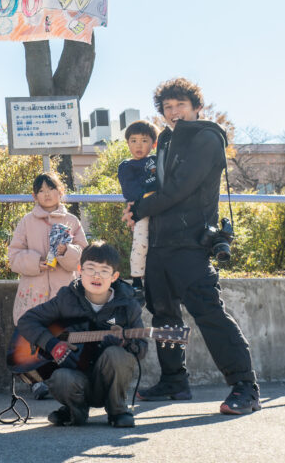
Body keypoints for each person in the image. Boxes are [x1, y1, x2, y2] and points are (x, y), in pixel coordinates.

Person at [122, 77, 259, 415]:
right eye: (168, 107)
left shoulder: (206, 138)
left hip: (191, 242)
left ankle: (245, 387)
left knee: (209, 312)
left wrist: (140, 209)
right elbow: (155, 187)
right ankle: (174, 380)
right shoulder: (166, 140)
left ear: (197, 107)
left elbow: (179, 189)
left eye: (181, 105)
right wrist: (135, 206)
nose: (174, 112)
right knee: (164, 314)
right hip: (159, 242)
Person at [16, 242, 147, 428]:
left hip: (108, 379)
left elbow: (142, 349)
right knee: (60, 376)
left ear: (115, 276)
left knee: (116, 354)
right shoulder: (66, 299)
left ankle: (118, 410)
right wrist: (52, 344)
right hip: (75, 375)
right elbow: (26, 321)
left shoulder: (128, 305)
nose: (96, 276)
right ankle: (74, 412)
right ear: (79, 271)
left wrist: (125, 344)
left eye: (104, 271)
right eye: (90, 269)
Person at [7, 172, 88, 399]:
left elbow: (84, 256)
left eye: (51, 189)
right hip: (33, 290)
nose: (47, 194)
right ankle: (36, 382)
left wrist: (66, 251)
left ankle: (62, 379)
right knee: (32, 336)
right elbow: (14, 256)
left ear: (61, 191)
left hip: (65, 290)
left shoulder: (72, 221)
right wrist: (36, 262)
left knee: (65, 335)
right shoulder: (27, 221)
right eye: (41, 191)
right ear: (34, 196)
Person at [117, 120, 159, 299]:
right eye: (133, 140)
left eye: (144, 140)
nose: (138, 145)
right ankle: (136, 279)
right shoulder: (126, 166)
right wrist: (149, 191)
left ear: (153, 144)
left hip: (161, 208)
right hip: (141, 211)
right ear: (127, 143)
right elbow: (130, 191)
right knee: (140, 242)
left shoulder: (157, 160)